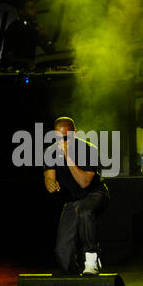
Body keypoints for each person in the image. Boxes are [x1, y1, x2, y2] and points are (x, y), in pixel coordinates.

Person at [44, 117, 109, 275]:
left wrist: (68, 157)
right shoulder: (50, 152)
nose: (62, 142)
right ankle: (75, 278)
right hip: (73, 201)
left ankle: (92, 259)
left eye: (66, 138)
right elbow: (48, 176)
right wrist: (50, 183)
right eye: (58, 138)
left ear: (74, 134)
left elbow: (84, 182)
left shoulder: (89, 150)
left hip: (95, 194)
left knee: (85, 212)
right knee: (62, 252)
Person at [0, 0, 55, 70]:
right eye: (31, 8)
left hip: (27, 72)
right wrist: (27, 62)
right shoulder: (13, 28)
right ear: (21, 11)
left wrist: (45, 37)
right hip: (11, 74)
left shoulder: (34, 28)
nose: (35, 10)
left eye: (35, 7)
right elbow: (8, 57)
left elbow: (51, 51)